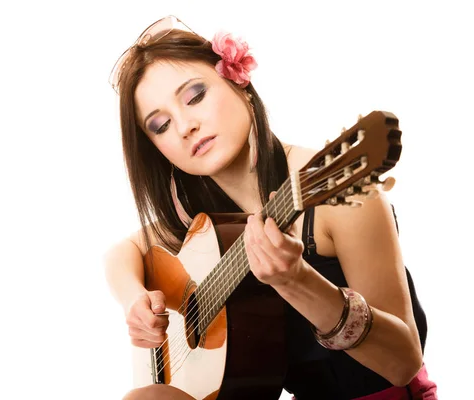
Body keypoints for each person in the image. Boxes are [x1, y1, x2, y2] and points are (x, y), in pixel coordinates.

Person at [103, 15, 437, 400]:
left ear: (239, 83)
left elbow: (403, 363)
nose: (184, 126)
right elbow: (123, 251)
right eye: (160, 125)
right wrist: (134, 298)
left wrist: (297, 280)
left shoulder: (339, 200)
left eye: (195, 96)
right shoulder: (200, 219)